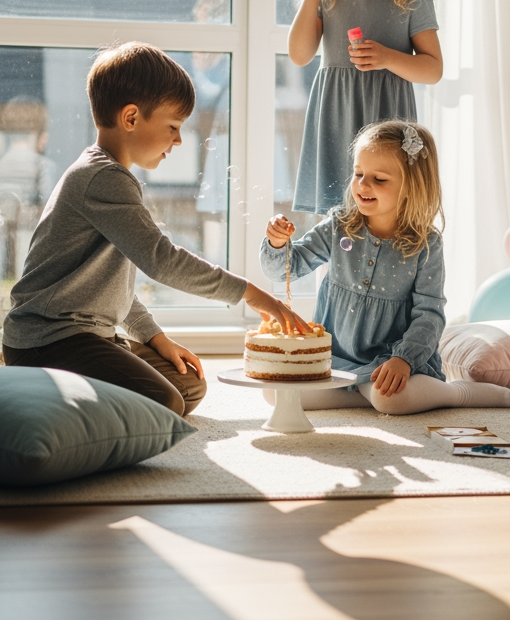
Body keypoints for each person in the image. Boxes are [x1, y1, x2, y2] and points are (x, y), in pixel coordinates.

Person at [2, 43, 304, 416]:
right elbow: (162, 261)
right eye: (173, 127)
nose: (179, 140)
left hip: (88, 333)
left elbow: (113, 288)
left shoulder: (112, 176)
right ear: (131, 118)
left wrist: (154, 338)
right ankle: (45, 401)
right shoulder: (102, 178)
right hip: (47, 341)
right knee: (164, 402)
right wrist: (249, 293)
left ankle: (73, 393)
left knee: (188, 387)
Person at [261, 119, 510, 414]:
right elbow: (282, 271)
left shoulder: (425, 245)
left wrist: (404, 359)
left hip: (391, 361)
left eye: (379, 179)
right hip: (336, 359)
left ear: (411, 186)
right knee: (274, 391)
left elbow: (429, 315)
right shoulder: (338, 227)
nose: (363, 185)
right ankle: (363, 391)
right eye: (358, 174)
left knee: (388, 398)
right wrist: (278, 244)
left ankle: (455, 393)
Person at [289, 0, 443, 214]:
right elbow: (299, 55)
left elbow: (432, 69)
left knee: (387, 214)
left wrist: (387, 57)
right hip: (336, 117)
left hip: (387, 120)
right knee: (335, 219)